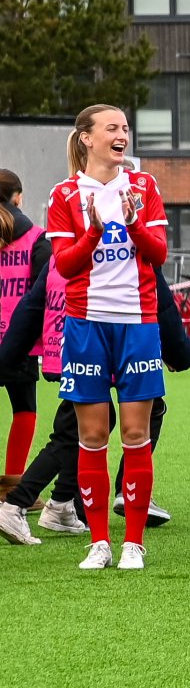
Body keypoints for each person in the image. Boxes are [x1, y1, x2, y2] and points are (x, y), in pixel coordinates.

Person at [42, 105, 167, 570]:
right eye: (112, 128)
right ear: (87, 138)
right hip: (85, 325)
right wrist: (94, 230)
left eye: (126, 128)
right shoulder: (64, 194)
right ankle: (99, 542)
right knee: (92, 435)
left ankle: (133, 542)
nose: (122, 135)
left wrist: (132, 222)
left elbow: (157, 254)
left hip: (138, 324)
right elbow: (66, 265)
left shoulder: (144, 186)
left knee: (136, 432)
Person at [0, 256, 190, 544]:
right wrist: (179, 354)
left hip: (69, 348)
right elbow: (160, 302)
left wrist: (7, 359)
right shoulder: (132, 250)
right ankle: (15, 504)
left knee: (86, 425)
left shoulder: (62, 252)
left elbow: (31, 305)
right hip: (105, 348)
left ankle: (63, 503)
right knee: (76, 432)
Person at [0, 170, 51, 504]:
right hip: (17, 338)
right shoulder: (36, 237)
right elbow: (44, 292)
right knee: (24, 410)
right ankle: (12, 488)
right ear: (17, 197)